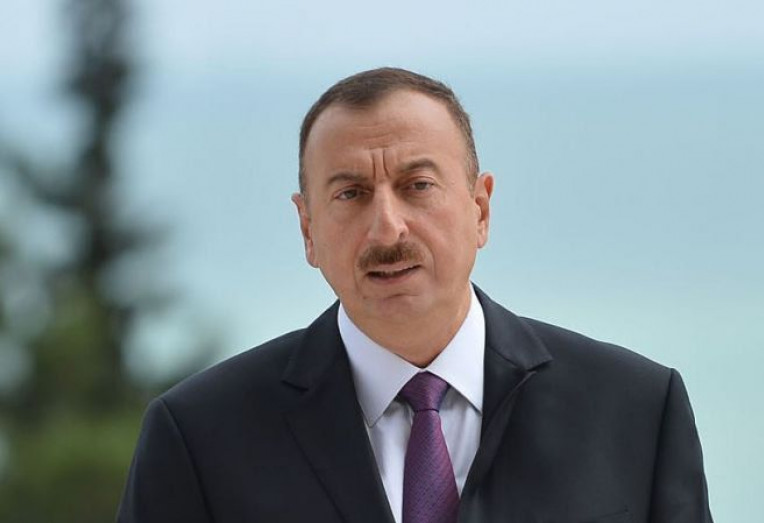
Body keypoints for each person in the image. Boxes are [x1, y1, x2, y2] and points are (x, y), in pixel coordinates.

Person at [117, 67, 713, 523]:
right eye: (350, 194)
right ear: (307, 229)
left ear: (480, 209)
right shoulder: (199, 435)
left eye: (418, 185)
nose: (387, 230)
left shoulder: (635, 409)